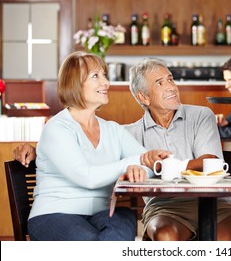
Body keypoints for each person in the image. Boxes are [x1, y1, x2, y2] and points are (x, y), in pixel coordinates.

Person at [25, 51, 167, 241]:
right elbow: (87, 177)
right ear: (74, 83)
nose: (106, 83)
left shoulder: (112, 130)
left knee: (123, 220)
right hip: (54, 214)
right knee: (93, 241)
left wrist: (140, 168)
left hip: (99, 214)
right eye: (96, 76)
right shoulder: (57, 128)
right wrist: (135, 162)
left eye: (104, 76)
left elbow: (151, 163)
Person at [127, 58, 231, 241]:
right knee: (165, 235)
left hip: (216, 203)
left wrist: (166, 166)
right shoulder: (130, 133)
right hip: (164, 206)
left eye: (171, 79)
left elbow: (210, 162)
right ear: (144, 97)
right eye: (160, 83)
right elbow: (117, 172)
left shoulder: (201, 115)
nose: (171, 86)